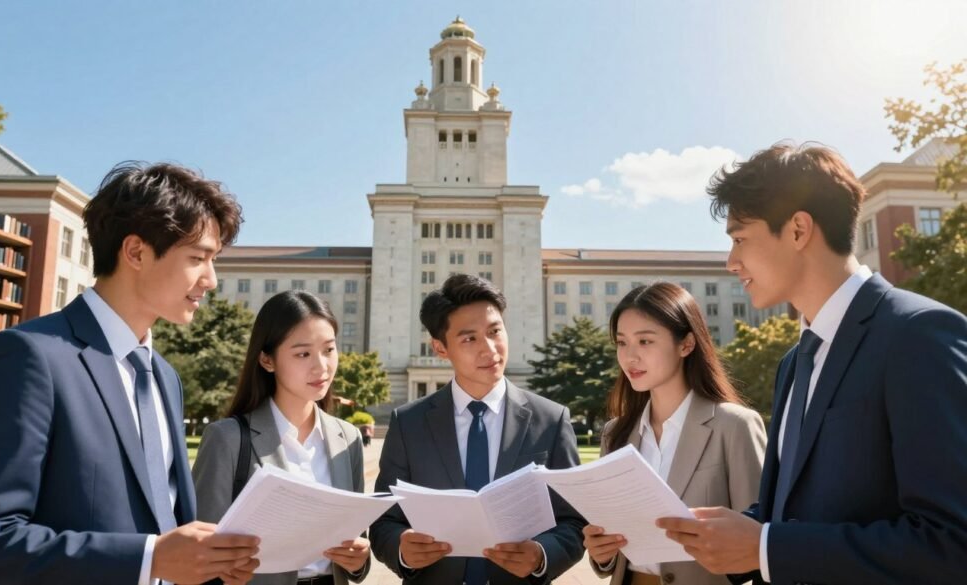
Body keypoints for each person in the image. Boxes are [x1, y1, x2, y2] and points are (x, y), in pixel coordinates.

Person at [657, 143, 967, 584]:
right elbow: (791, 510)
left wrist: (765, 546)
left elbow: (952, 543)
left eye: (740, 238)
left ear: (799, 229)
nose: (731, 262)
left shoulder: (917, 335)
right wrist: (715, 533)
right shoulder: (794, 362)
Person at [0, 162, 260, 584]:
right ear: (135, 252)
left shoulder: (164, 377)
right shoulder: (27, 358)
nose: (212, 280)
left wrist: (207, 565)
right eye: (198, 258)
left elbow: (165, 521)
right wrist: (149, 559)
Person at [369, 273, 586, 585]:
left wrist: (542, 554)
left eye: (495, 331)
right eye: (469, 338)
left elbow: (574, 520)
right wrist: (402, 549)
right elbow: (383, 520)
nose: (490, 349)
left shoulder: (551, 420)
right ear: (440, 348)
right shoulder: (409, 423)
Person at [584, 282, 766, 585]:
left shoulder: (734, 426)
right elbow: (613, 548)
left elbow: (758, 543)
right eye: (621, 343)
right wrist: (602, 552)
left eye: (645, 342)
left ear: (686, 344)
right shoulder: (615, 434)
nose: (630, 357)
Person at [193, 290, 371, 585]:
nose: (321, 366)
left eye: (328, 349)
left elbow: (355, 545)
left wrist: (358, 560)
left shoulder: (348, 438)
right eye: (303, 354)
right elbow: (199, 553)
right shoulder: (227, 439)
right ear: (267, 360)